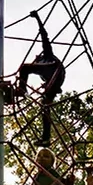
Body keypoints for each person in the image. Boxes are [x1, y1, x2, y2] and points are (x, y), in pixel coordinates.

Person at [14, 10, 66, 145]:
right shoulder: (42, 68)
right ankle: (46, 138)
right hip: (54, 82)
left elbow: (44, 36)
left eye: (36, 58)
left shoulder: (47, 55)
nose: (35, 58)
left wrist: (37, 18)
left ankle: (22, 90)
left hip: (54, 69)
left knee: (25, 68)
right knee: (45, 107)